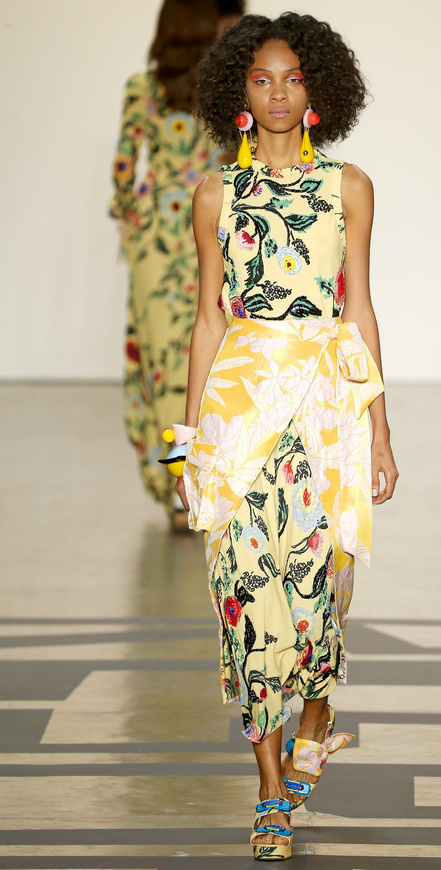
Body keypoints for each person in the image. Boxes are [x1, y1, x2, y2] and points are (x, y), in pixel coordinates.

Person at [174, 13, 398, 860]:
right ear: (239, 90)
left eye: (293, 78)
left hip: (326, 413)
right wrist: (185, 449)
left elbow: (360, 310)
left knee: (317, 590)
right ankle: (270, 790)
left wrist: (381, 432)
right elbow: (206, 321)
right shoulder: (215, 194)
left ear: (318, 91)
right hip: (238, 412)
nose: (277, 93)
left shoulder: (350, 187)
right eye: (261, 79)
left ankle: (317, 715)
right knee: (242, 594)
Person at [109, 0, 244, 530]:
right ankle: (207, 482)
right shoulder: (225, 90)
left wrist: (133, 217)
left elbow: (124, 170)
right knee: (209, 361)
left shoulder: (143, 90)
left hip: (157, 238)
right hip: (212, 230)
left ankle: (176, 492)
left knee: (164, 371)